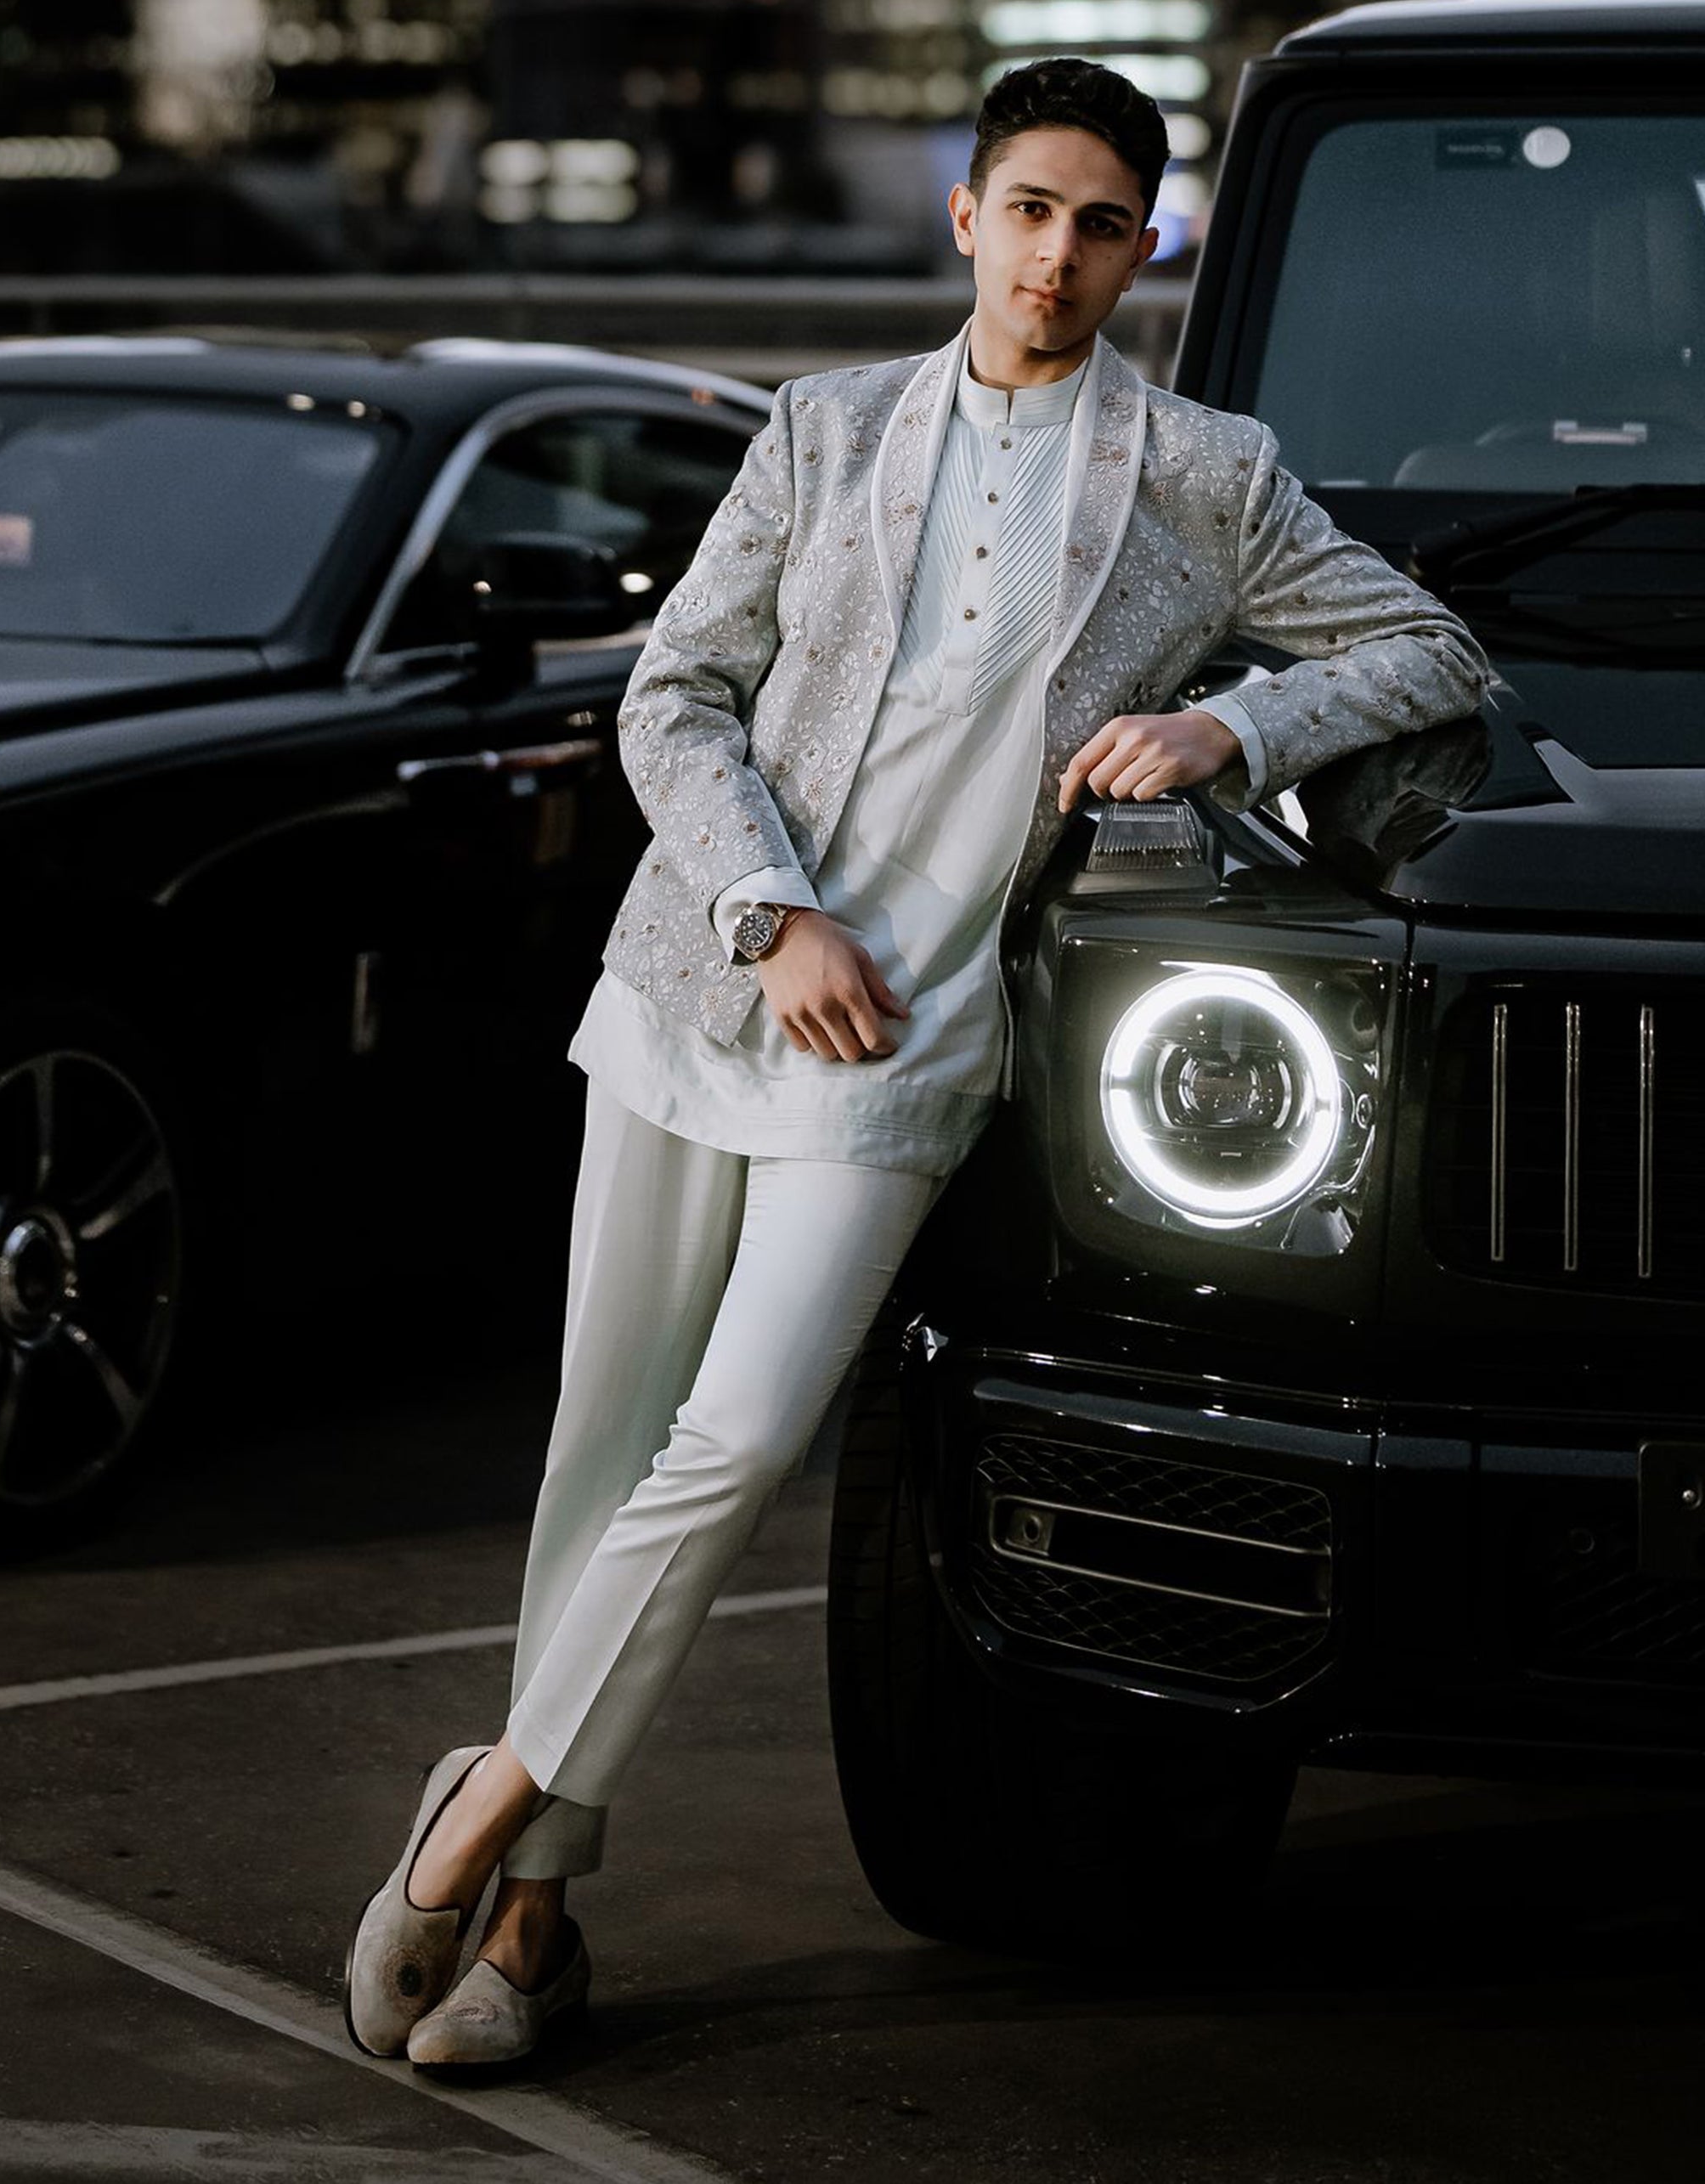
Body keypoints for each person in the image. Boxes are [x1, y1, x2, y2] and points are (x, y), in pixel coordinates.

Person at [343, 54, 1491, 2069]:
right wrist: (767, 912)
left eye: (1101, 225)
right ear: (966, 216)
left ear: (1147, 250)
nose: (1056, 256)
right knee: (605, 1448)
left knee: (733, 1446)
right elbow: (674, 695)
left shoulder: (1205, 474)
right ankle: (531, 1923)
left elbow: (1436, 653)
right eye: (1027, 210)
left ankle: (477, 1812)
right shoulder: (820, 425)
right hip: (705, 987)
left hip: (915, 1042)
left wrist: (1233, 726)